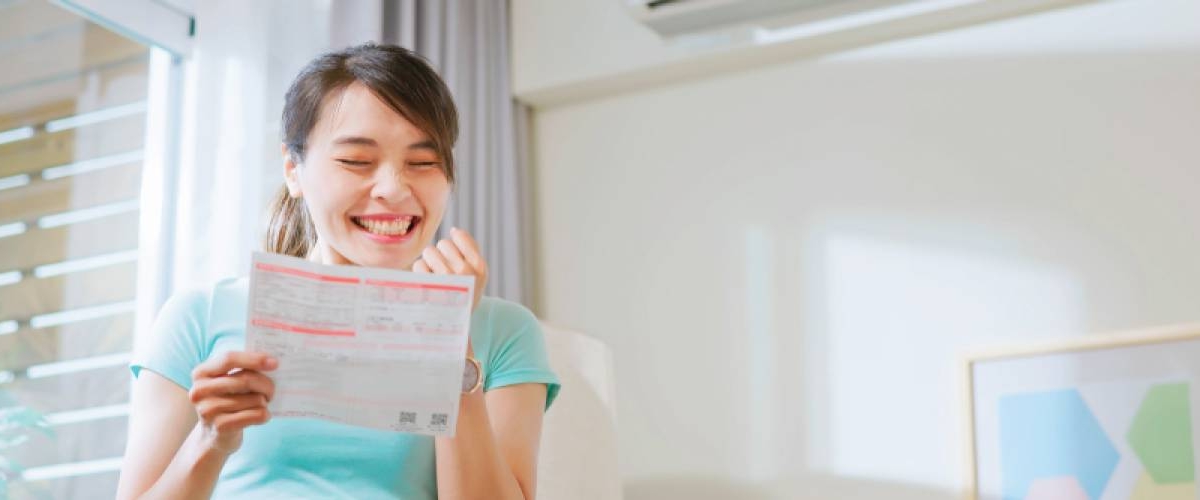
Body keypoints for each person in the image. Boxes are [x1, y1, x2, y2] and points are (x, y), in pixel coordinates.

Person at [115, 43, 560, 500]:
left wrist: (448, 345)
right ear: (293, 168)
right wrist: (210, 440)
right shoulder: (201, 316)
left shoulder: (502, 330)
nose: (393, 188)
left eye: (423, 162)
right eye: (356, 161)